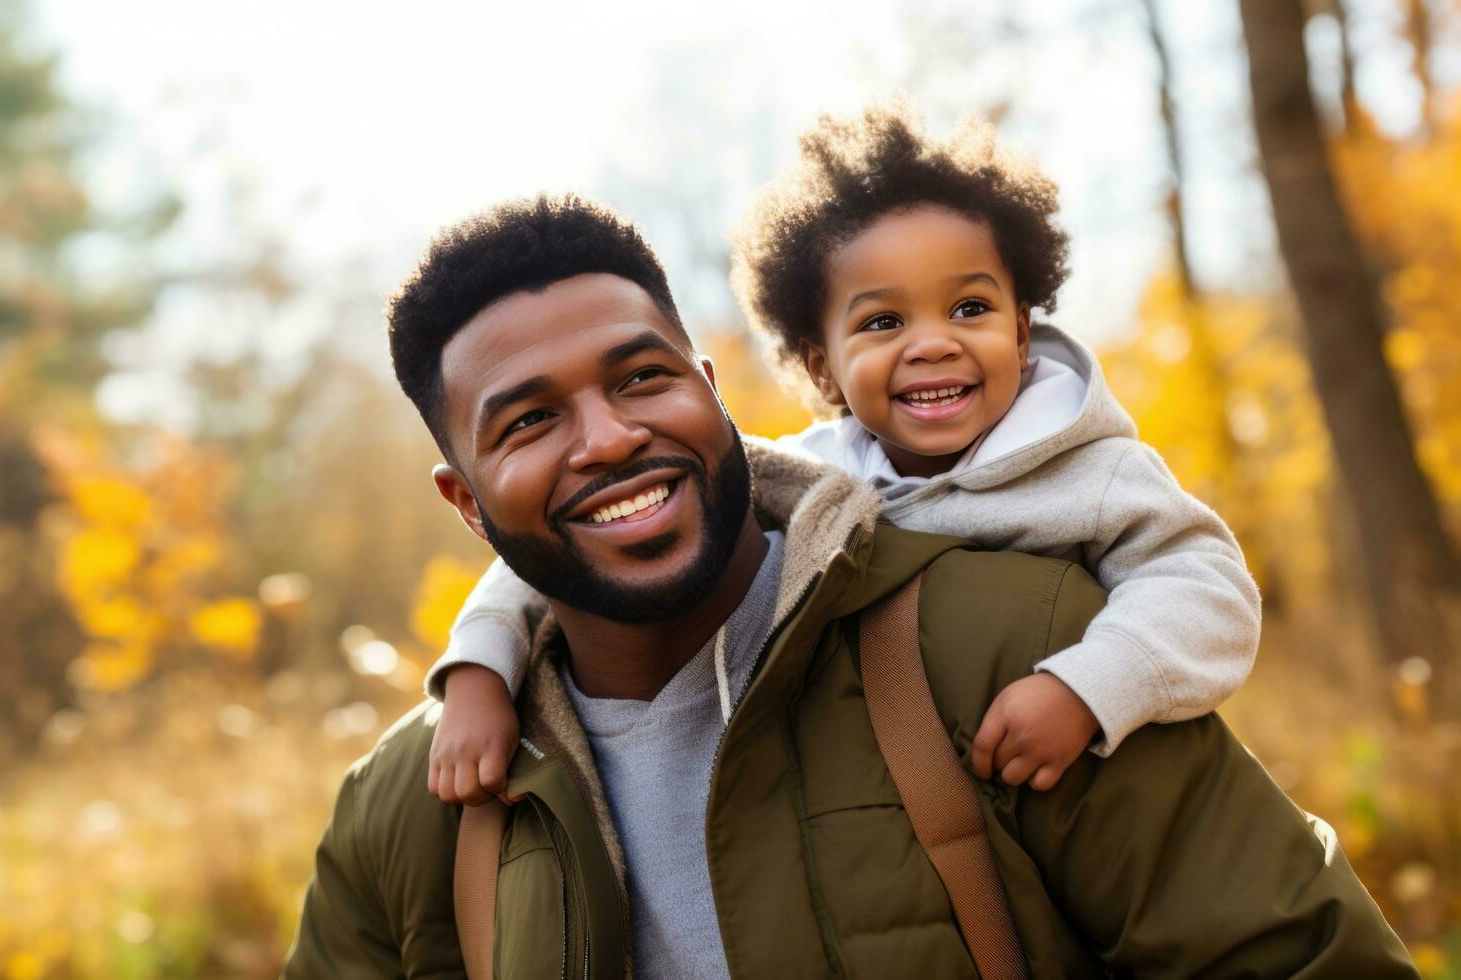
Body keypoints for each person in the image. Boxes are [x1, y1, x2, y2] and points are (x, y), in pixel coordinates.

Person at [283, 194, 1415, 978]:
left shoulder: (1015, 644)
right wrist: (473, 668)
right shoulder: (411, 808)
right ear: (466, 502)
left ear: (713, 390)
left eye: (643, 377)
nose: (611, 438)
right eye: (530, 420)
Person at [425, 103, 1260, 805]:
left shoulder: (1090, 470)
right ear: (820, 367)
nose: (931, 345)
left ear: (1019, 326)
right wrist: (478, 671)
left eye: (968, 307)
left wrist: (1090, 686)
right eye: (882, 323)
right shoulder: (812, 473)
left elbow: (1207, 591)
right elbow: (577, 529)